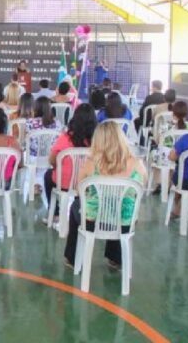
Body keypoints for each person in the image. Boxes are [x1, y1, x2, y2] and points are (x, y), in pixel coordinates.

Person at [63, 122, 147, 268]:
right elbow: (140, 189)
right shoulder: (138, 165)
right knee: (120, 207)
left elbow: (79, 190)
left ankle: (72, 257)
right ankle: (116, 258)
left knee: (76, 205)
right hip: (124, 225)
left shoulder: (90, 164)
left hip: (93, 222)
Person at [43, 104, 97, 223]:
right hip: (87, 184)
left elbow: (52, 161)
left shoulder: (65, 138)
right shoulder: (97, 141)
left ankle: (55, 213)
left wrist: (58, 167)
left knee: (48, 175)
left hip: (63, 183)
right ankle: (82, 209)